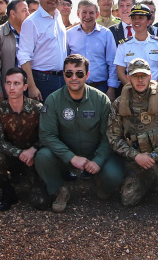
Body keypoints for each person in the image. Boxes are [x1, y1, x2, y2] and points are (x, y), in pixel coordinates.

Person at [36, 54, 123, 212]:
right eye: (69, 73)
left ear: (87, 75)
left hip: (93, 153)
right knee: (43, 156)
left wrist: (98, 160)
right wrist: (71, 157)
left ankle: (101, 185)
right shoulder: (53, 100)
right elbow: (47, 135)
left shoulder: (101, 100)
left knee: (115, 175)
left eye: (79, 73)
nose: (74, 78)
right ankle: (59, 191)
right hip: (66, 155)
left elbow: (109, 135)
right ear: (64, 75)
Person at [107, 58, 158, 216]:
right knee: (128, 200)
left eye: (144, 76)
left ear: (150, 77)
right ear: (129, 78)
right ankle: (151, 176)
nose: (140, 80)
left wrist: (155, 154)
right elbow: (113, 138)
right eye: (136, 76)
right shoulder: (119, 104)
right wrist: (136, 156)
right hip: (135, 157)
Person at [0, 68, 47, 211]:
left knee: (41, 203)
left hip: (32, 159)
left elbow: (47, 135)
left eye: (16, 83)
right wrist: (19, 153)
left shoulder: (37, 108)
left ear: (25, 87)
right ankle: (7, 191)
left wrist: (33, 150)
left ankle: (34, 182)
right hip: (11, 157)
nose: (12, 87)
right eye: (8, 83)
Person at [17, 0, 68, 102]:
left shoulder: (58, 16)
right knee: (45, 118)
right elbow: (24, 56)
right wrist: (32, 86)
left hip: (62, 78)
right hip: (42, 80)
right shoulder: (31, 22)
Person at [66, 0, 119, 95]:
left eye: (91, 13)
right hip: (74, 88)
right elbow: (64, 62)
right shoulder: (69, 34)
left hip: (100, 87)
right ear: (78, 14)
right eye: (84, 12)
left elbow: (112, 63)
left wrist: (111, 88)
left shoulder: (106, 34)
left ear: (97, 14)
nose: (87, 16)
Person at [114, 3, 158, 90]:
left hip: (157, 92)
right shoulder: (123, 45)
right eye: (134, 18)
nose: (136, 21)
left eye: (141, 18)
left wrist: (156, 88)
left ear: (149, 21)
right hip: (133, 93)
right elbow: (120, 71)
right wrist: (133, 89)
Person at [0, 0, 30, 104]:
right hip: (6, 94)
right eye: (24, 11)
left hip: (28, 92)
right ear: (13, 14)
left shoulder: (31, 33)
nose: (28, 14)